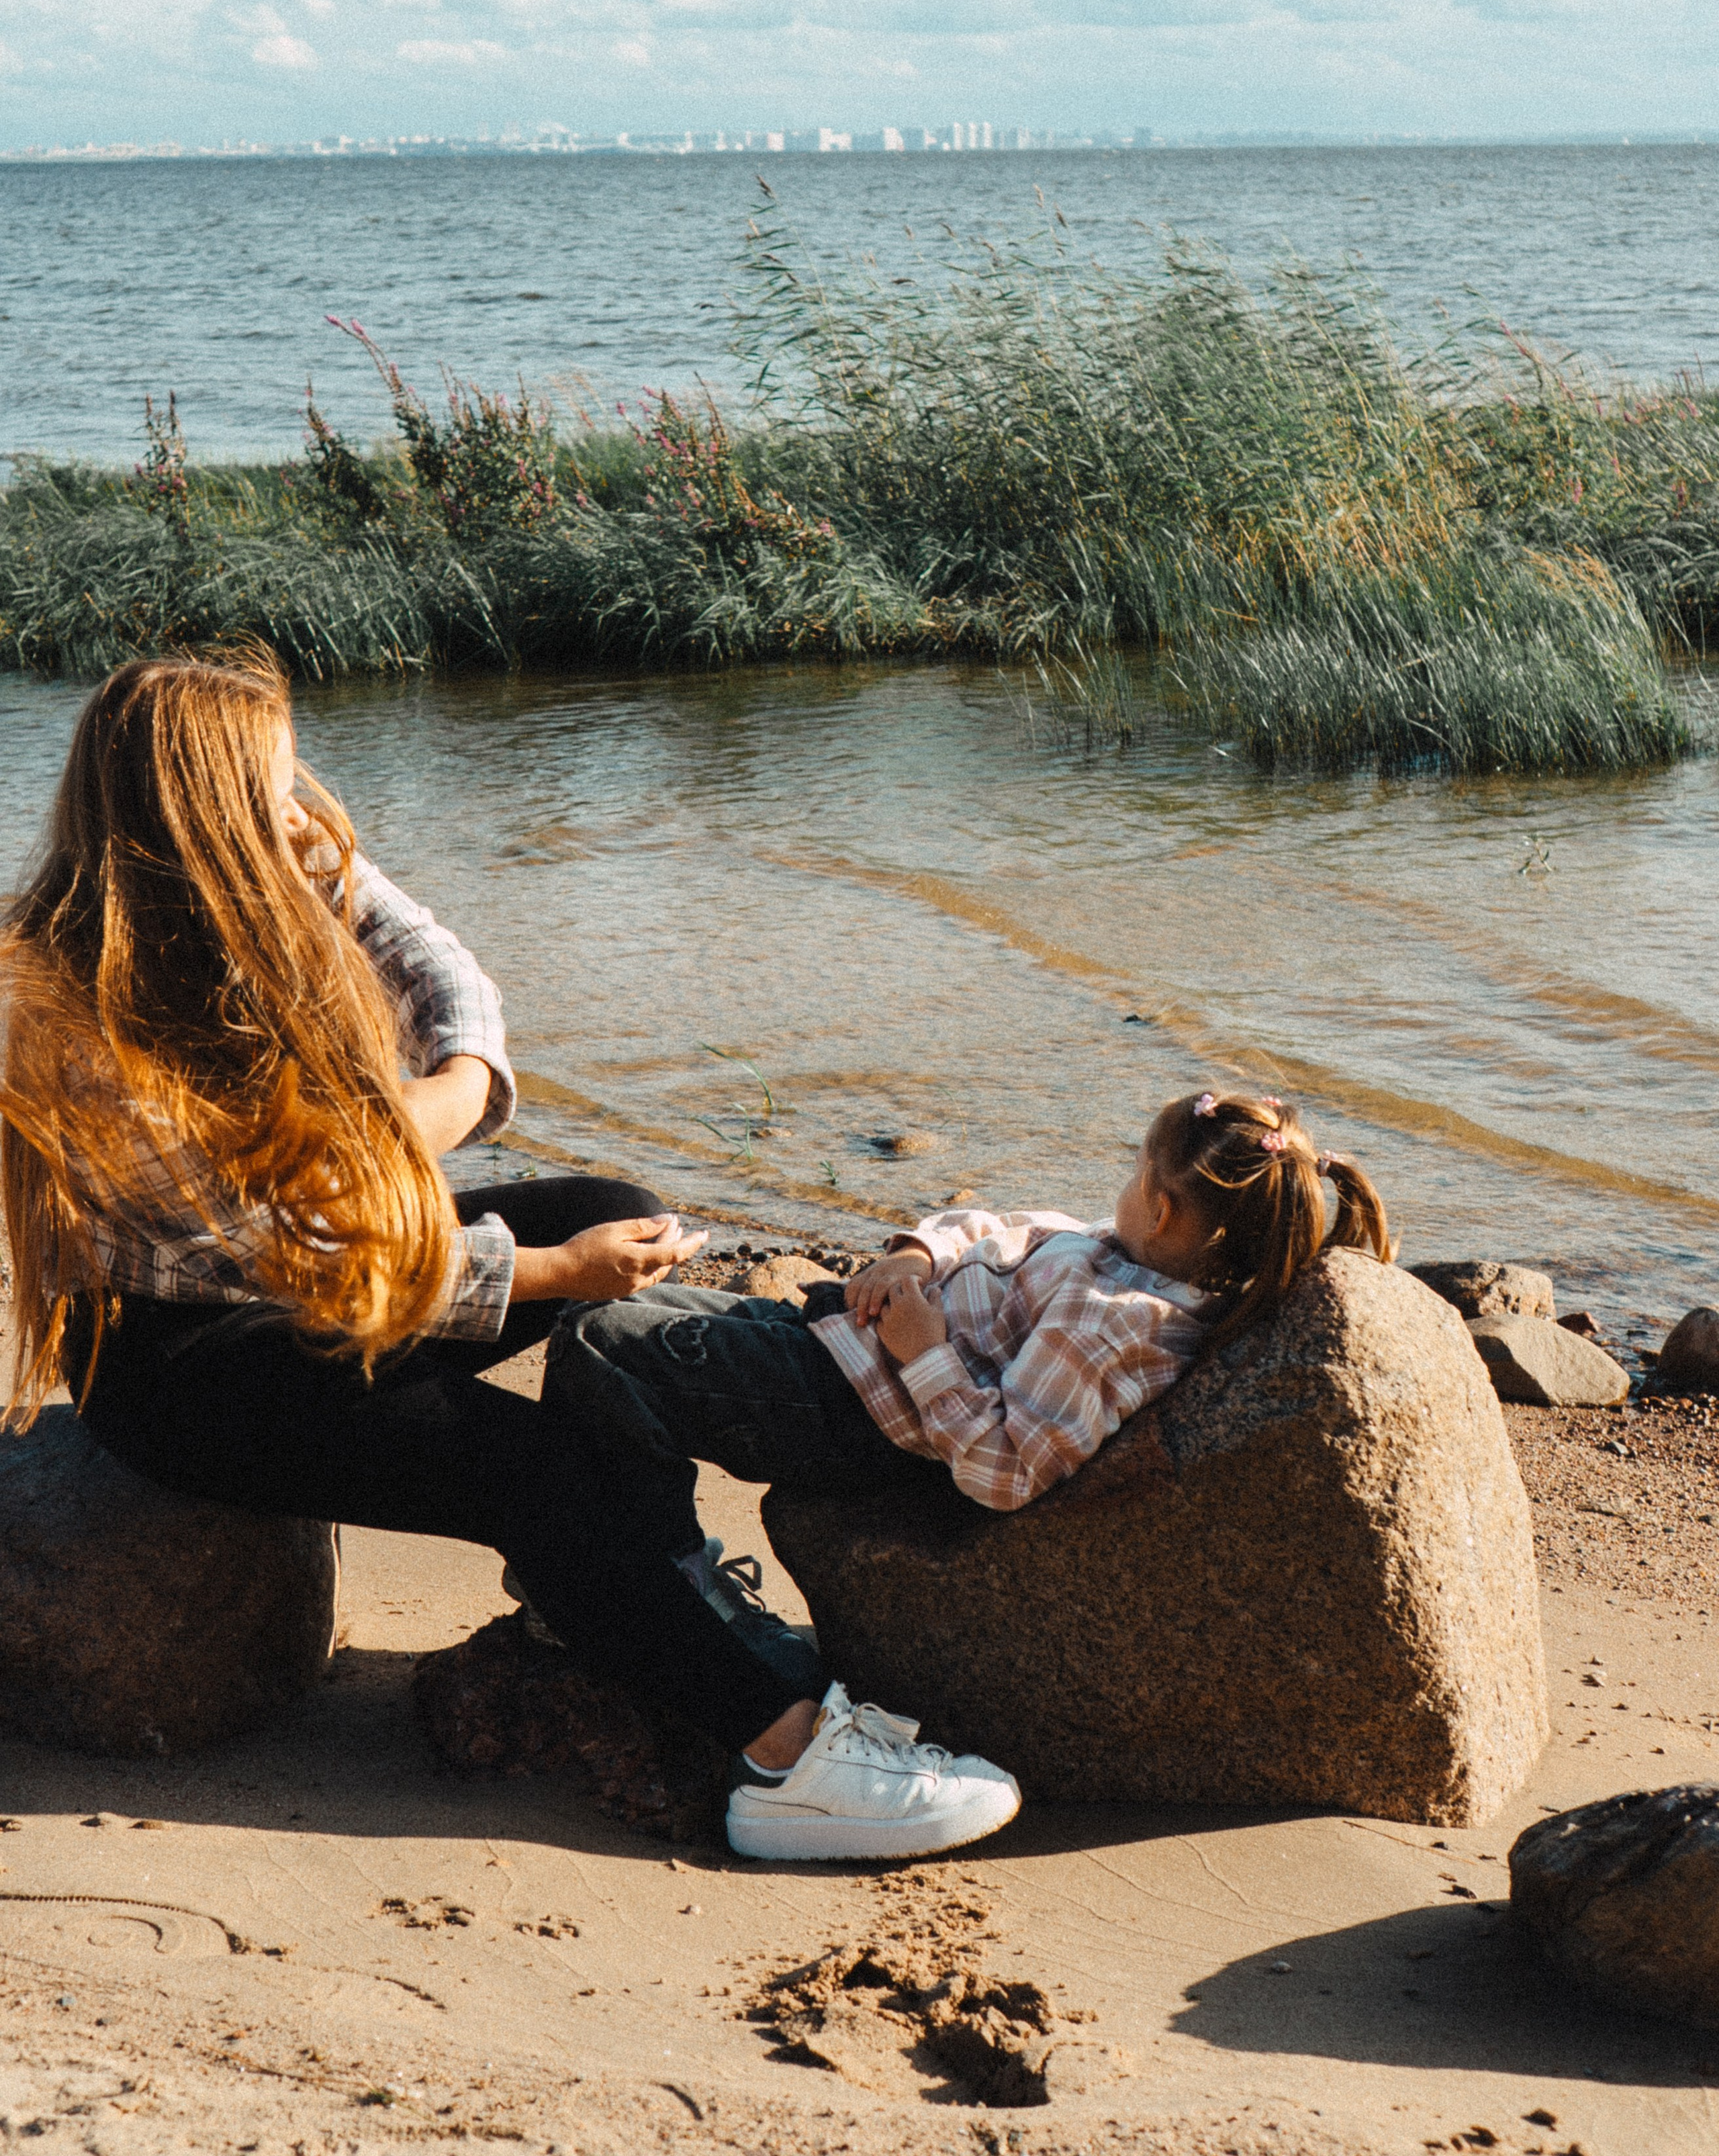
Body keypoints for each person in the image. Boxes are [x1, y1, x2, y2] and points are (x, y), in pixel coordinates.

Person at [0, 655, 1019, 1865]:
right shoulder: (60, 1013)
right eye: (272, 784)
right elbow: (283, 1257)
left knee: (612, 1200)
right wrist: (542, 1276)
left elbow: (444, 976)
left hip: (312, 1273)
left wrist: (454, 1094)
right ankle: (783, 1756)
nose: (297, 805)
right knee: (527, 1465)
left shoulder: (258, 886)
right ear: (207, 810)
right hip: (182, 1369)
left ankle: (608, 1598)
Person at [544, 1092, 1393, 1848]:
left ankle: (669, 1577)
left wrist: (926, 1356)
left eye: (1137, 1170)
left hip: (849, 1406)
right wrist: (917, 1256)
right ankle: (599, 1557)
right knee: (598, 1312)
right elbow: (997, 1228)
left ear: (1165, 1208)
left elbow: (1004, 1468)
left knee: (594, 1345)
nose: (1125, 1185)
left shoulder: (1120, 1326)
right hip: (831, 1336)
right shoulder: (1115, 1251)